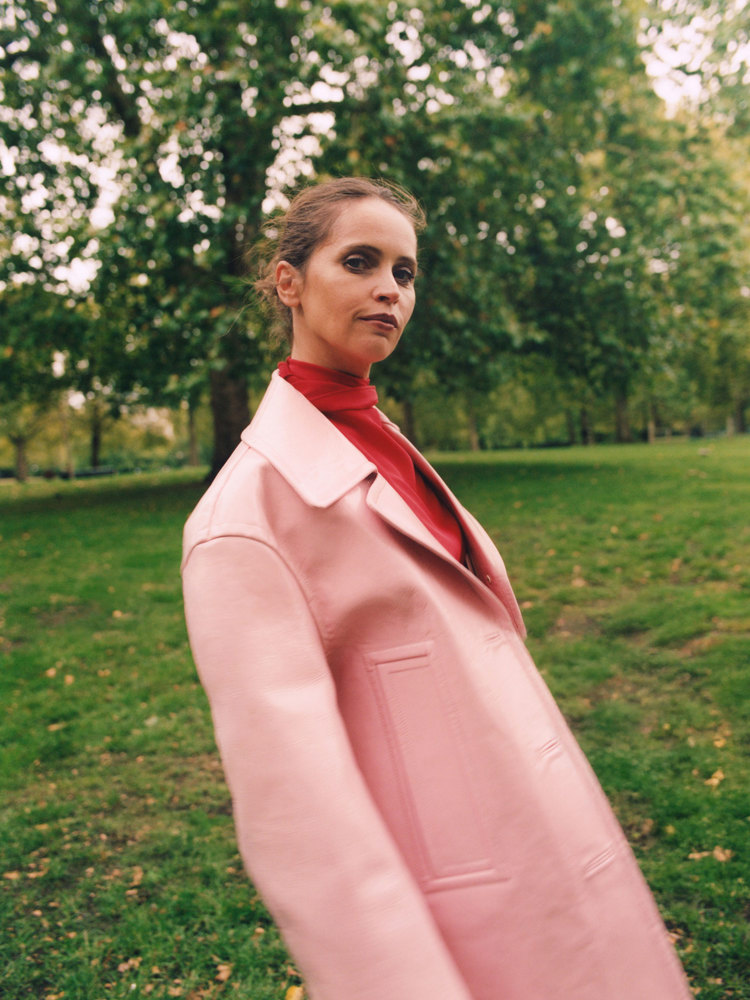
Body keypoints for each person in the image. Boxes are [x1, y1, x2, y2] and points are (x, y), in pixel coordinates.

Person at [181, 177, 692, 1000]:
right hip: (464, 930)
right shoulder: (243, 524)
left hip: (553, 861)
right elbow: (305, 833)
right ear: (288, 282)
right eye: (360, 261)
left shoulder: (380, 441)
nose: (390, 288)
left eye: (405, 271)